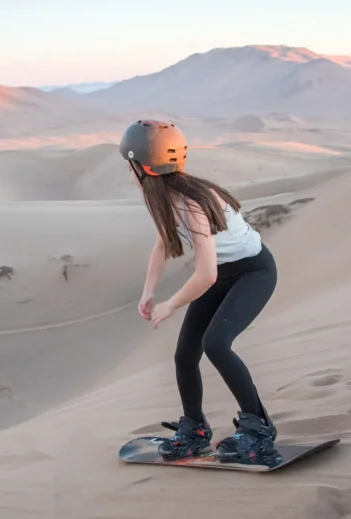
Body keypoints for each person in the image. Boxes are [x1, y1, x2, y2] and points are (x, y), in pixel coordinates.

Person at [119, 119, 278, 464]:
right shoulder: (161, 196)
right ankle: (195, 431)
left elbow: (205, 275)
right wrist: (148, 292)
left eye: (128, 164)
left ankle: (259, 430)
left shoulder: (192, 204)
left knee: (216, 343)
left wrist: (171, 305)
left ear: (143, 166)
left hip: (253, 272)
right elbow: (162, 245)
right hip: (221, 275)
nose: (128, 172)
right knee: (184, 355)